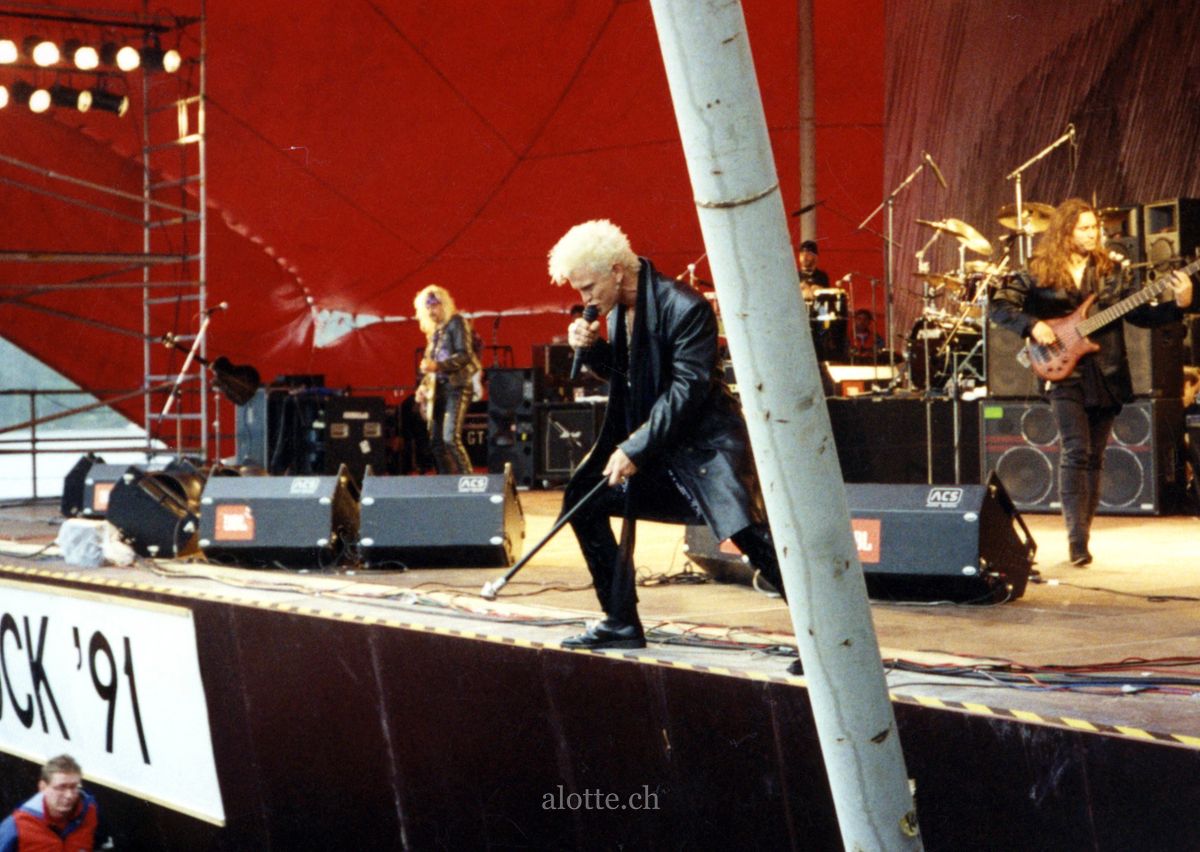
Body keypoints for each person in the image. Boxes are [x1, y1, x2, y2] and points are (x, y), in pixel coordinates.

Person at [547, 219, 789, 655]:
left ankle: (827, 640)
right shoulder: (620, 311)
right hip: (663, 447)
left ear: (617, 270)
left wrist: (635, 447)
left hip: (707, 447)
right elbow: (631, 378)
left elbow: (686, 390)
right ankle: (619, 620)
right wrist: (595, 351)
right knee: (583, 498)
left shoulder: (686, 307)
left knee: (751, 538)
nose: (584, 300)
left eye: (587, 288)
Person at [990, 198, 1192, 566]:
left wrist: (1178, 304)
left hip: (1108, 373)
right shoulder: (1038, 270)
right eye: (1084, 228)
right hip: (1063, 372)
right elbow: (1000, 305)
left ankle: (1083, 534)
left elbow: (1141, 315)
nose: (1092, 234)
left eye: (1094, 228)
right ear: (1065, 231)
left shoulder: (1111, 270)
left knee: (1095, 457)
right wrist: (1032, 325)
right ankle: (1076, 542)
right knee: (1076, 451)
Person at [414, 284, 481, 474]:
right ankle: (447, 484)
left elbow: (465, 355)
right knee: (435, 441)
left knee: (450, 438)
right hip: (438, 390)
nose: (431, 310)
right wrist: (423, 385)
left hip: (457, 386)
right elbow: (431, 366)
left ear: (444, 304)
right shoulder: (435, 333)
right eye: (427, 307)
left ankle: (469, 481)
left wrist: (439, 366)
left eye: (434, 305)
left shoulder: (456, 322)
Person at [0, 754, 100, 852]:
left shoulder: (90, 811)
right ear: (43, 787)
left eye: (74, 787)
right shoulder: (16, 825)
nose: (69, 795)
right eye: (61, 787)